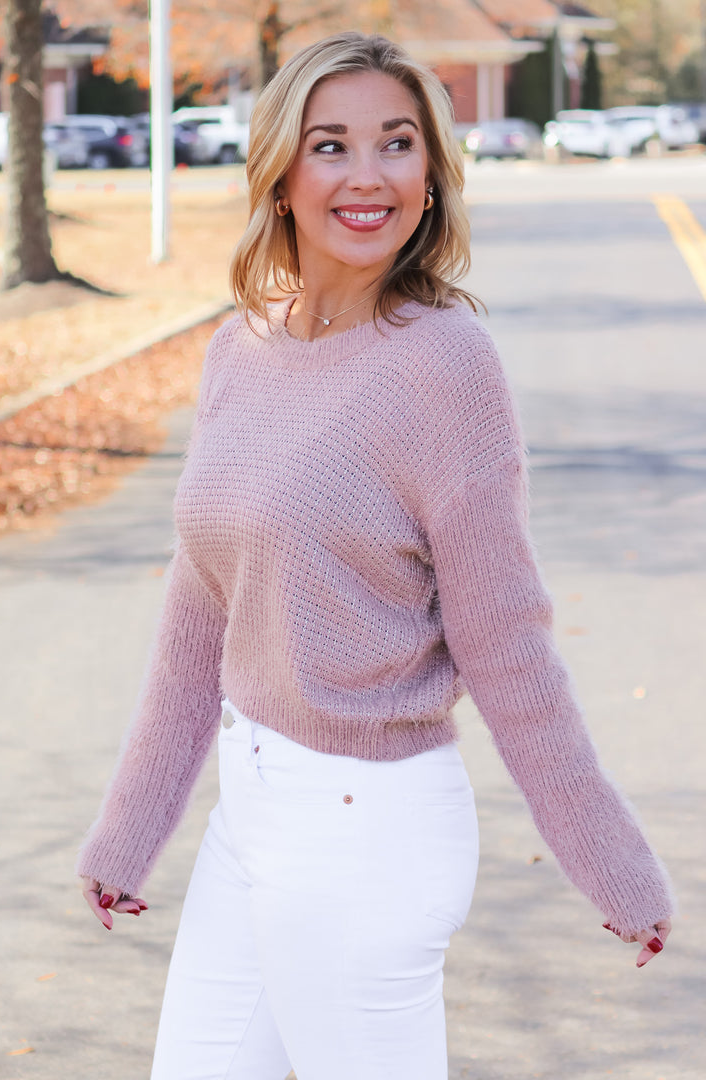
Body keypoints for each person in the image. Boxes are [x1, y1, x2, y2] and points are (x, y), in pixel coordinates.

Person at [78, 31, 674, 1080]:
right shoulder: (241, 348)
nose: (368, 175)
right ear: (281, 174)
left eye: (397, 143)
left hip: (365, 834)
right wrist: (128, 834)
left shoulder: (446, 365)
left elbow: (508, 645)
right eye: (331, 144)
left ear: (433, 177)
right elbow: (197, 621)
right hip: (251, 813)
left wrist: (612, 862)